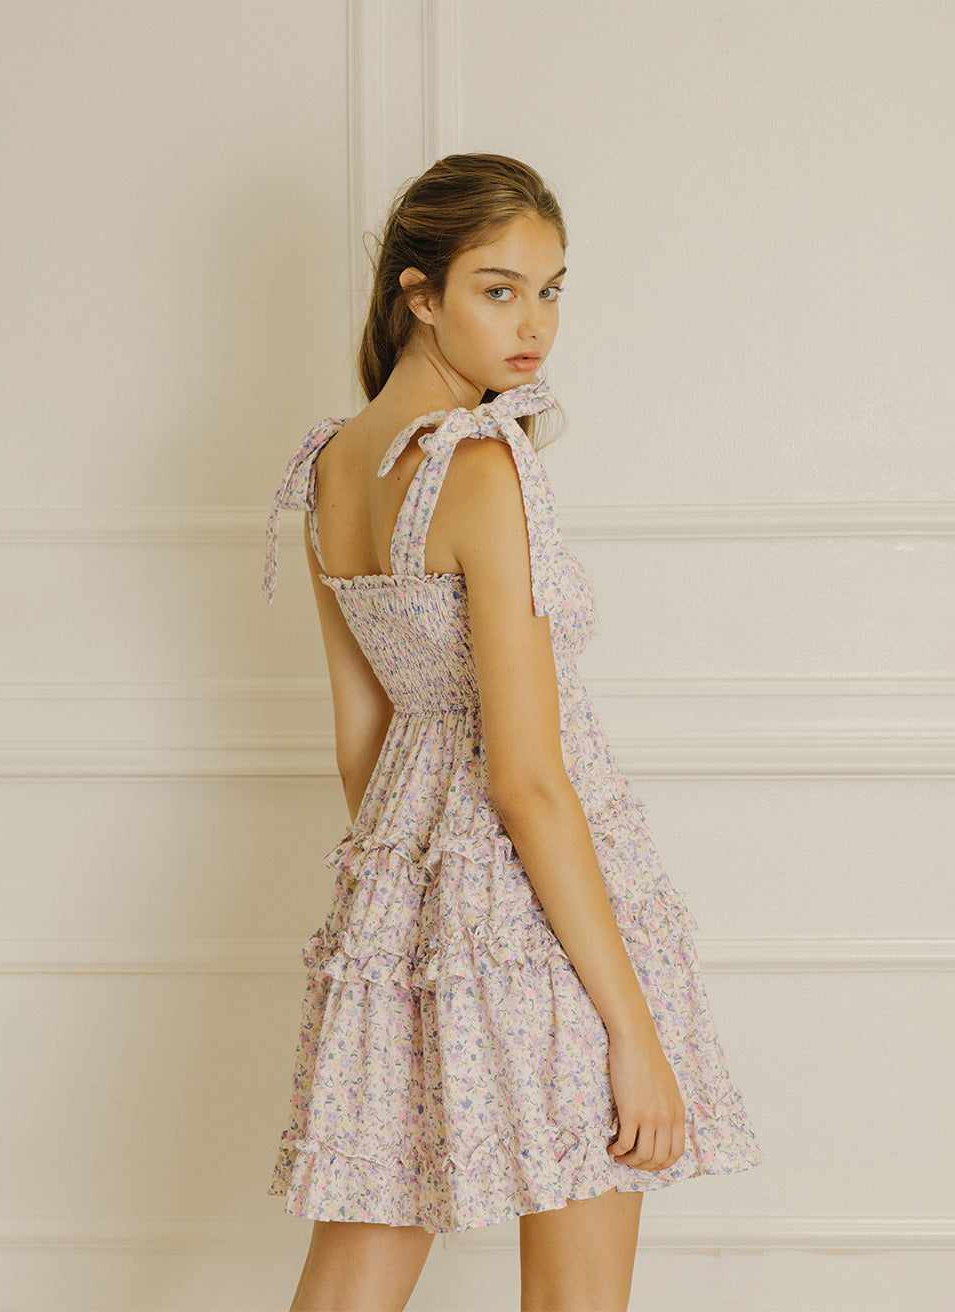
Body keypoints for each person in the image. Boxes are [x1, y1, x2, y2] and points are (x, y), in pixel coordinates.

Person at [263, 153, 762, 1312]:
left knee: (354, 1272)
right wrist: (631, 1030)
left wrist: (422, 916)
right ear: (418, 293)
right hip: (549, 917)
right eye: (498, 289)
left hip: (403, 911)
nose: (534, 324)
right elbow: (529, 781)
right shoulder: (483, 466)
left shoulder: (331, 470)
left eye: (551, 289)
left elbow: (365, 739)